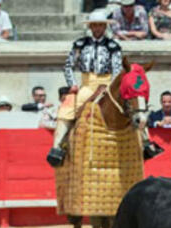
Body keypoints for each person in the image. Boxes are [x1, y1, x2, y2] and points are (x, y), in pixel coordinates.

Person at [47, 10, 122, 167]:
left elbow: (117, 69)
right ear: (90, 27)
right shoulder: (80, 44)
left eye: (100, 25)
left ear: (105, 27)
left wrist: (112, 87)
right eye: (94, 25)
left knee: (132, 107)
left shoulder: (113, 46)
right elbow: (68, 66)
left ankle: (145, 143)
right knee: (67, 107)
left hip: (108, 83)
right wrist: (73, 84)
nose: (97, 28)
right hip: (87, 84)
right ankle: (57, 148)